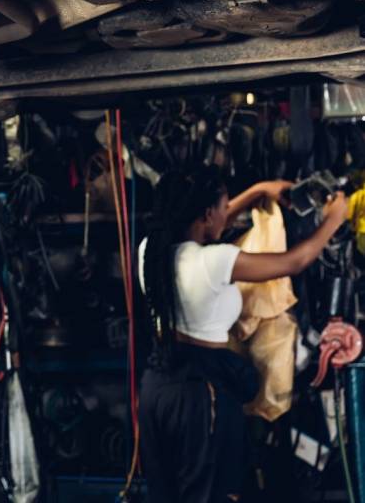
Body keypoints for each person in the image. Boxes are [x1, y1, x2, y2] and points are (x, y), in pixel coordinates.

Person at [137, 168, 348, 503]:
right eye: (223, 207)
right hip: (200, 390)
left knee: (165, 495)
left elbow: (199, 218)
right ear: (207, 214)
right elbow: (295, 261)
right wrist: (335, 219)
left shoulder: (150, 252)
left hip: (157, 385)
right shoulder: (214, 261)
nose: (228, 213)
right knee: (209, 495)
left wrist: (258, 191)